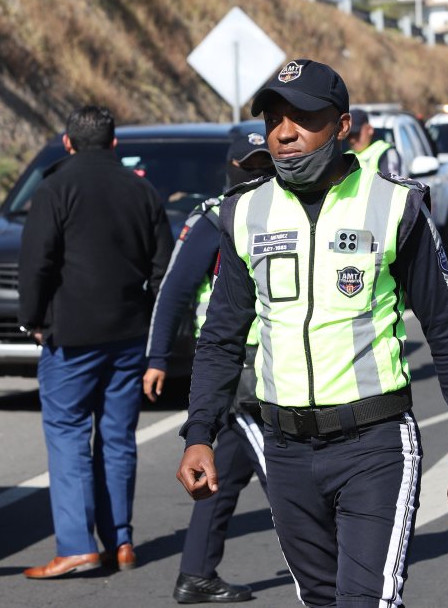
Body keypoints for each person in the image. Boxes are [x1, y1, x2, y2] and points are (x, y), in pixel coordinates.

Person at [176, 59, 448, 606]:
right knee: (321, 600)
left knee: (366, 601)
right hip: (284, 451)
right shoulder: (245, 211)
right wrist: (199, 433)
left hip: (373, 445)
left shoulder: (395, 206)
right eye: (273, 119)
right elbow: (222, 337)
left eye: (301, 117)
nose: (284, 133)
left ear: (342, 125)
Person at [18, 105, 174, 579]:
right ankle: (121, 541)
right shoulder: (142, 190)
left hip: (71, 335)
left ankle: (76, 546)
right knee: (117, 438)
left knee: (68, 435)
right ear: (114, 142)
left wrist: (33, 319)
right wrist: (152, 324)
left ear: (68, 143)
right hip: (128, 335)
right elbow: (163, 267)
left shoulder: (54, 188)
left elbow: (37, 263)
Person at [143, 132, 275, 604]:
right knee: (287, 477)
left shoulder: (285, 212)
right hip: (238, 370)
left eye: (265, 165)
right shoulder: (215, 218)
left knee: (225, 473)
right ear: (230, 167)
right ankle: (327, 568)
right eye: (248, 166)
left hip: (275, 365)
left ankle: (196, 573)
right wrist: (157, 358)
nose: (257, 175)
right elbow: (174, 292)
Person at [347, 107, 402, 174]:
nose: (352, 140)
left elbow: (392, 179)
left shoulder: (386, 152)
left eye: (356, 134)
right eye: (349, 135)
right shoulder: (345, 156)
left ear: (369, 129)